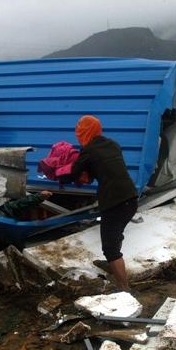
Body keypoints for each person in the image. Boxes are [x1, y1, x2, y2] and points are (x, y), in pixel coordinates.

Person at [70, 115, 138, 291]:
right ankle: (113, 265)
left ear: (85, 132)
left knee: (110, 247)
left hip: (114, 203)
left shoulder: (88, 151)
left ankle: (124, 287)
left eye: (79, 130)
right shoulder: (113, 144)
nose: (78, 133)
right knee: (115, 237)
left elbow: (74, 174)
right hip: (130, 198)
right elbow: (105, 167)